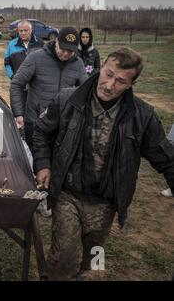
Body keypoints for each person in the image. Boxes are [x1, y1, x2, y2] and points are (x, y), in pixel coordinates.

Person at [32, 47, 174, 280]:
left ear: (130, 84)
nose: (110, 85)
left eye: (120, 81)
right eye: (108, 74)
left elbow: (167, 159)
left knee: (91, 256)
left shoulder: (143, 116)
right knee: (65, 257)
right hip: (68, 195)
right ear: (100, 69)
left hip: (106, 202)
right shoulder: (67, 99)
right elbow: (41, 132)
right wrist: (43, 164)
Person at [10, 27, 87, 152]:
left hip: (62, 125)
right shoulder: (36, 58)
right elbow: (16, 84)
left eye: (70, 50)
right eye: (63, 49)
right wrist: (18, 113)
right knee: (37, 164)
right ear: (56, 41)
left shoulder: (78, 64)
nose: (66, 54)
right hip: (35, 123)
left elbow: (85, 91)